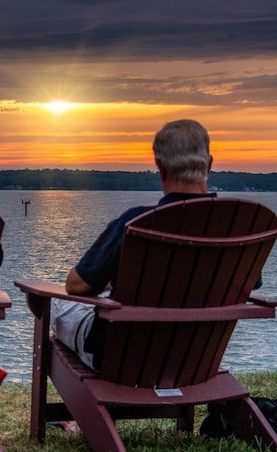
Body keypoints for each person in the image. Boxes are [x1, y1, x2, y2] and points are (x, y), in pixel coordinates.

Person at [51, 119, 230, 372]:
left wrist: (115, 280)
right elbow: (246, 287)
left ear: (160, 166)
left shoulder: (135, 223)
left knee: (53, 303)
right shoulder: (235, 226)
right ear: (209, 164)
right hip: (194, 361)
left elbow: (76, 285)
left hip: (119, 358)